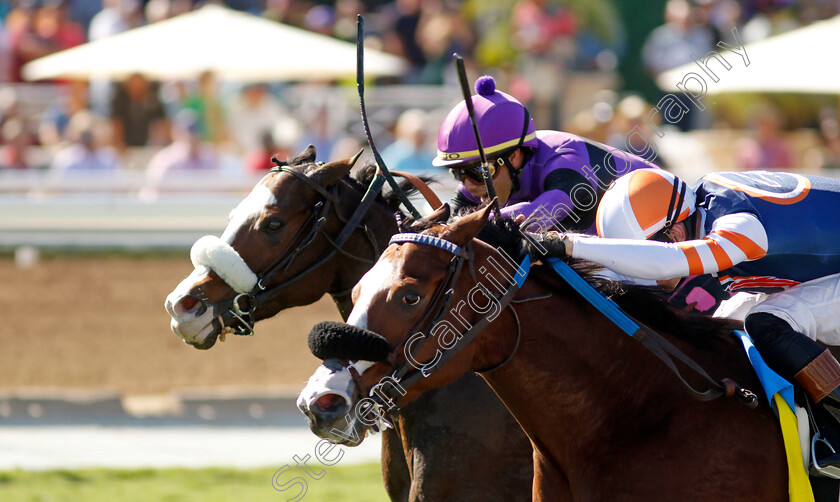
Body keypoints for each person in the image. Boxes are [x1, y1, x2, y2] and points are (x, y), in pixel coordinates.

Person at [538, 168, 840, 468]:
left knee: (765, 321)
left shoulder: (738, 224)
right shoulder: (707, 204)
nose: (645, 278)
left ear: (676, 233)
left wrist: (568, 242)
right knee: (724, 330)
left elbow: (667, 260)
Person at [433, 75, 659, 236]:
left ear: (513, 157)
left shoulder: (563, 159)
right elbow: (451, 220)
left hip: (668, 226)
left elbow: (538, 216)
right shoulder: (479, 182)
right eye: (458, 173)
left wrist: (463, 225)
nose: (468, 185)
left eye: (479, 171)